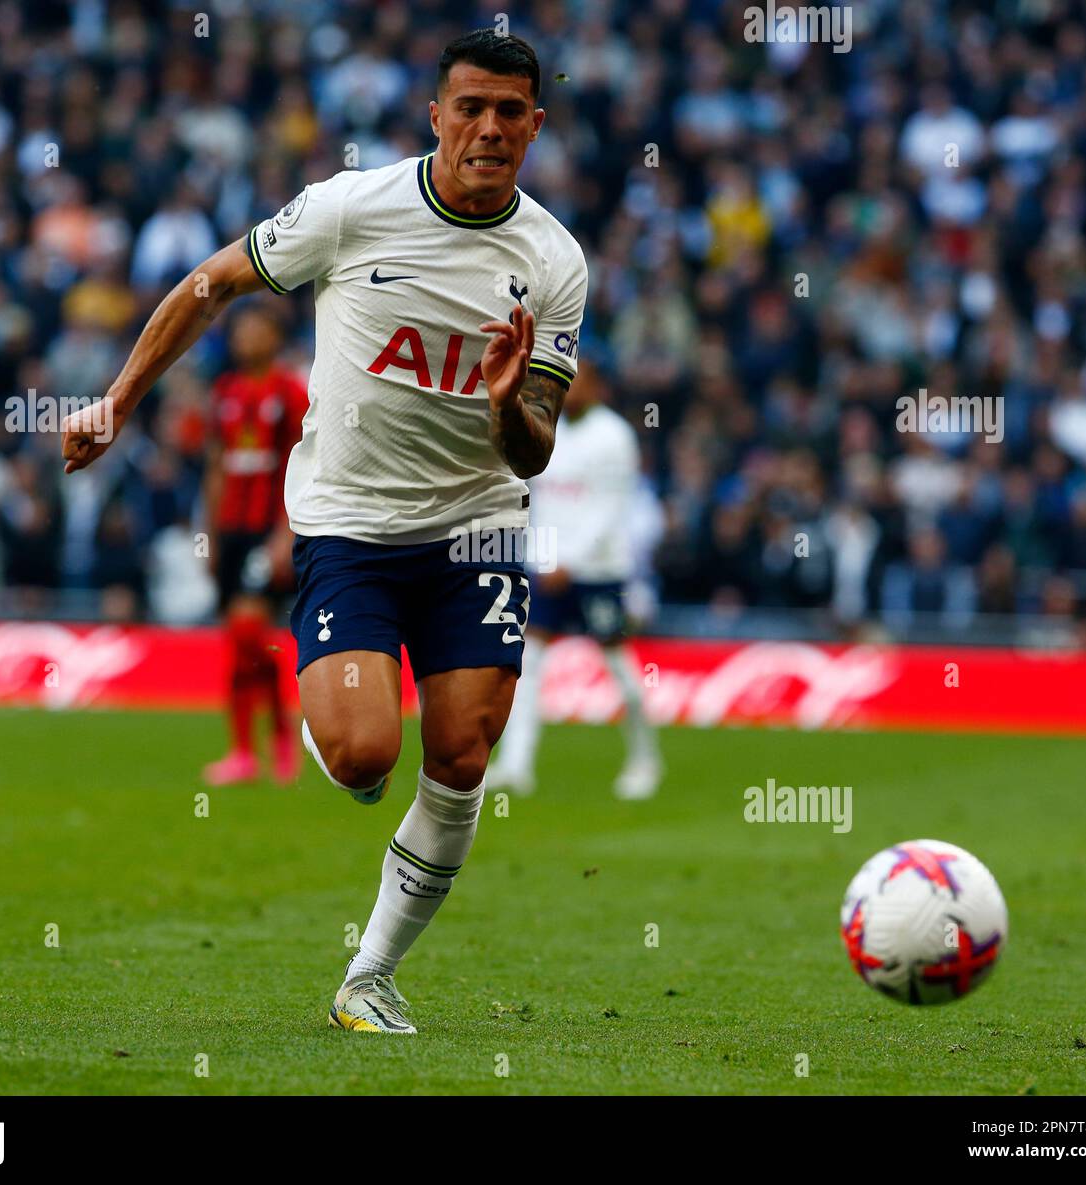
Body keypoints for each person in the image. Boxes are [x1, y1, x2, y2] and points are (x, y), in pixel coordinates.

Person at [61, 29, 587, 1035]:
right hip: (349, 524)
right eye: (468, 107)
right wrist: (118, 402)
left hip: (478, 525)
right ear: (434, 115)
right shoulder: (352, 208)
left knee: (465, 755)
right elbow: (212, 283)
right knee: (359, 758)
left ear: (535, 125)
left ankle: (369, 975)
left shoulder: (553, 262)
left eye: (509, 112)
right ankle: (339, 714)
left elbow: (532, 454)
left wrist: (508, 404)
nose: (487, 128)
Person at [488, 357, 663, 799]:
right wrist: (542, 557)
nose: (569, 386)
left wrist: (573, 560)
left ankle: (645, 759)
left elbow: (610, 510)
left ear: (598, 385)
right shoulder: (550, 428)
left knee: (619, 666)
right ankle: (516, 765)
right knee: (527, 665)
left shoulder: (614, 436)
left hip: (599, 571)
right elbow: (541, 501)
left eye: (579, 379)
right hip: (549, 568)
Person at [202, 304, 309, 786]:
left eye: (256, 328)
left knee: (248, 631)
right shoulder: (224, 393)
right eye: (240, 330)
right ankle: (244, 751)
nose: (246, 338)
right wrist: (208, 537)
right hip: (231, 529)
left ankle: (277, 737)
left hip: (269, 527)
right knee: (238, 642)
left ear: (274, 335)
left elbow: (302, 462)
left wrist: (286, 531)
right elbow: (216, 466)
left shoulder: (289, 392)